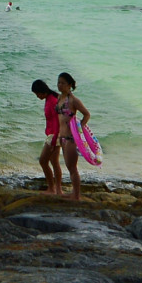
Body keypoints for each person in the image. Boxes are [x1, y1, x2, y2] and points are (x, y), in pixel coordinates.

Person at [55, 72, 91, 202]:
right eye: (58, 82)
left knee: (72, 167)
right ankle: (74, 193)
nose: (60, 85)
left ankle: (76, 196)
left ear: (70, 85)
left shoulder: (73, 100)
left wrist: (78, 128)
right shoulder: (59, 98)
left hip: (71, 138)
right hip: (62, 137)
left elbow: (86, 114)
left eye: (63, 83)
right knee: (68, 166)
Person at [31, 79, 63, 196]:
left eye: (37, 94)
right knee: (54, 162)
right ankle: (57, 189)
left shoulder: (52, 101)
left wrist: (54, 140)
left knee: (43, 161)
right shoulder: (50, 98)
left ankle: (52, 188)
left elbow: (57, 121)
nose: (37, 96)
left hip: (55, 135)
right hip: (55, 134)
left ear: (42, 91)